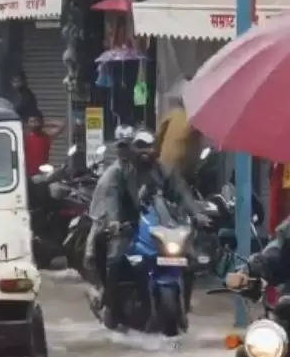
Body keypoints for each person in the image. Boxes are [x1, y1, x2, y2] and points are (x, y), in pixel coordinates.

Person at [87, 128, 207, 327]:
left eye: (149, 147)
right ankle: (110, 306)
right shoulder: (119, 172)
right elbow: (112, 198)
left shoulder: (164, 171)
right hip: (128, 226)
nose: (145, 151)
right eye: (140, 147)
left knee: (190, 260)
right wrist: (115, 221)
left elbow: (182, 193)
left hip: (161, 227)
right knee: (115, 260)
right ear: (133, 149)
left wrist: (197, 214)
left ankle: (184, 306)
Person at [156, 90, 203, 182]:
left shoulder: (173, 114)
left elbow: (159, 135)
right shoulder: (195, 119)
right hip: (181, 168)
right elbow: (197, 147)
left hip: (165, 164)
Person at [23, 111, 67, 178]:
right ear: (28, 123)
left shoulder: (46, 136)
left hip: (42, 174)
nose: (34, 124)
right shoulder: (24, 137)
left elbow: (61, 125)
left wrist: (43, 123)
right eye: (31, 122)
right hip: (27, 175)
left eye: (36, 121)